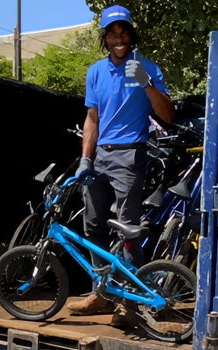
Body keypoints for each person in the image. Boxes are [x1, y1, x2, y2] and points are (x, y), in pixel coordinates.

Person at [67, 4, 176, 317]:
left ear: (131, 34)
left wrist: (145, 82)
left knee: (127, 230)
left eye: (123, 31)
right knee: (93, 228)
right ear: (105, 37)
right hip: (100, 155)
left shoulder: (148, 68)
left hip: (131, 154)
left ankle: (129, 302)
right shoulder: (96, 71)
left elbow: (167, 115)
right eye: (113, 33)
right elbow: (92, 118)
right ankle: (100, 294)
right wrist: (85, 159)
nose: (119, 38)